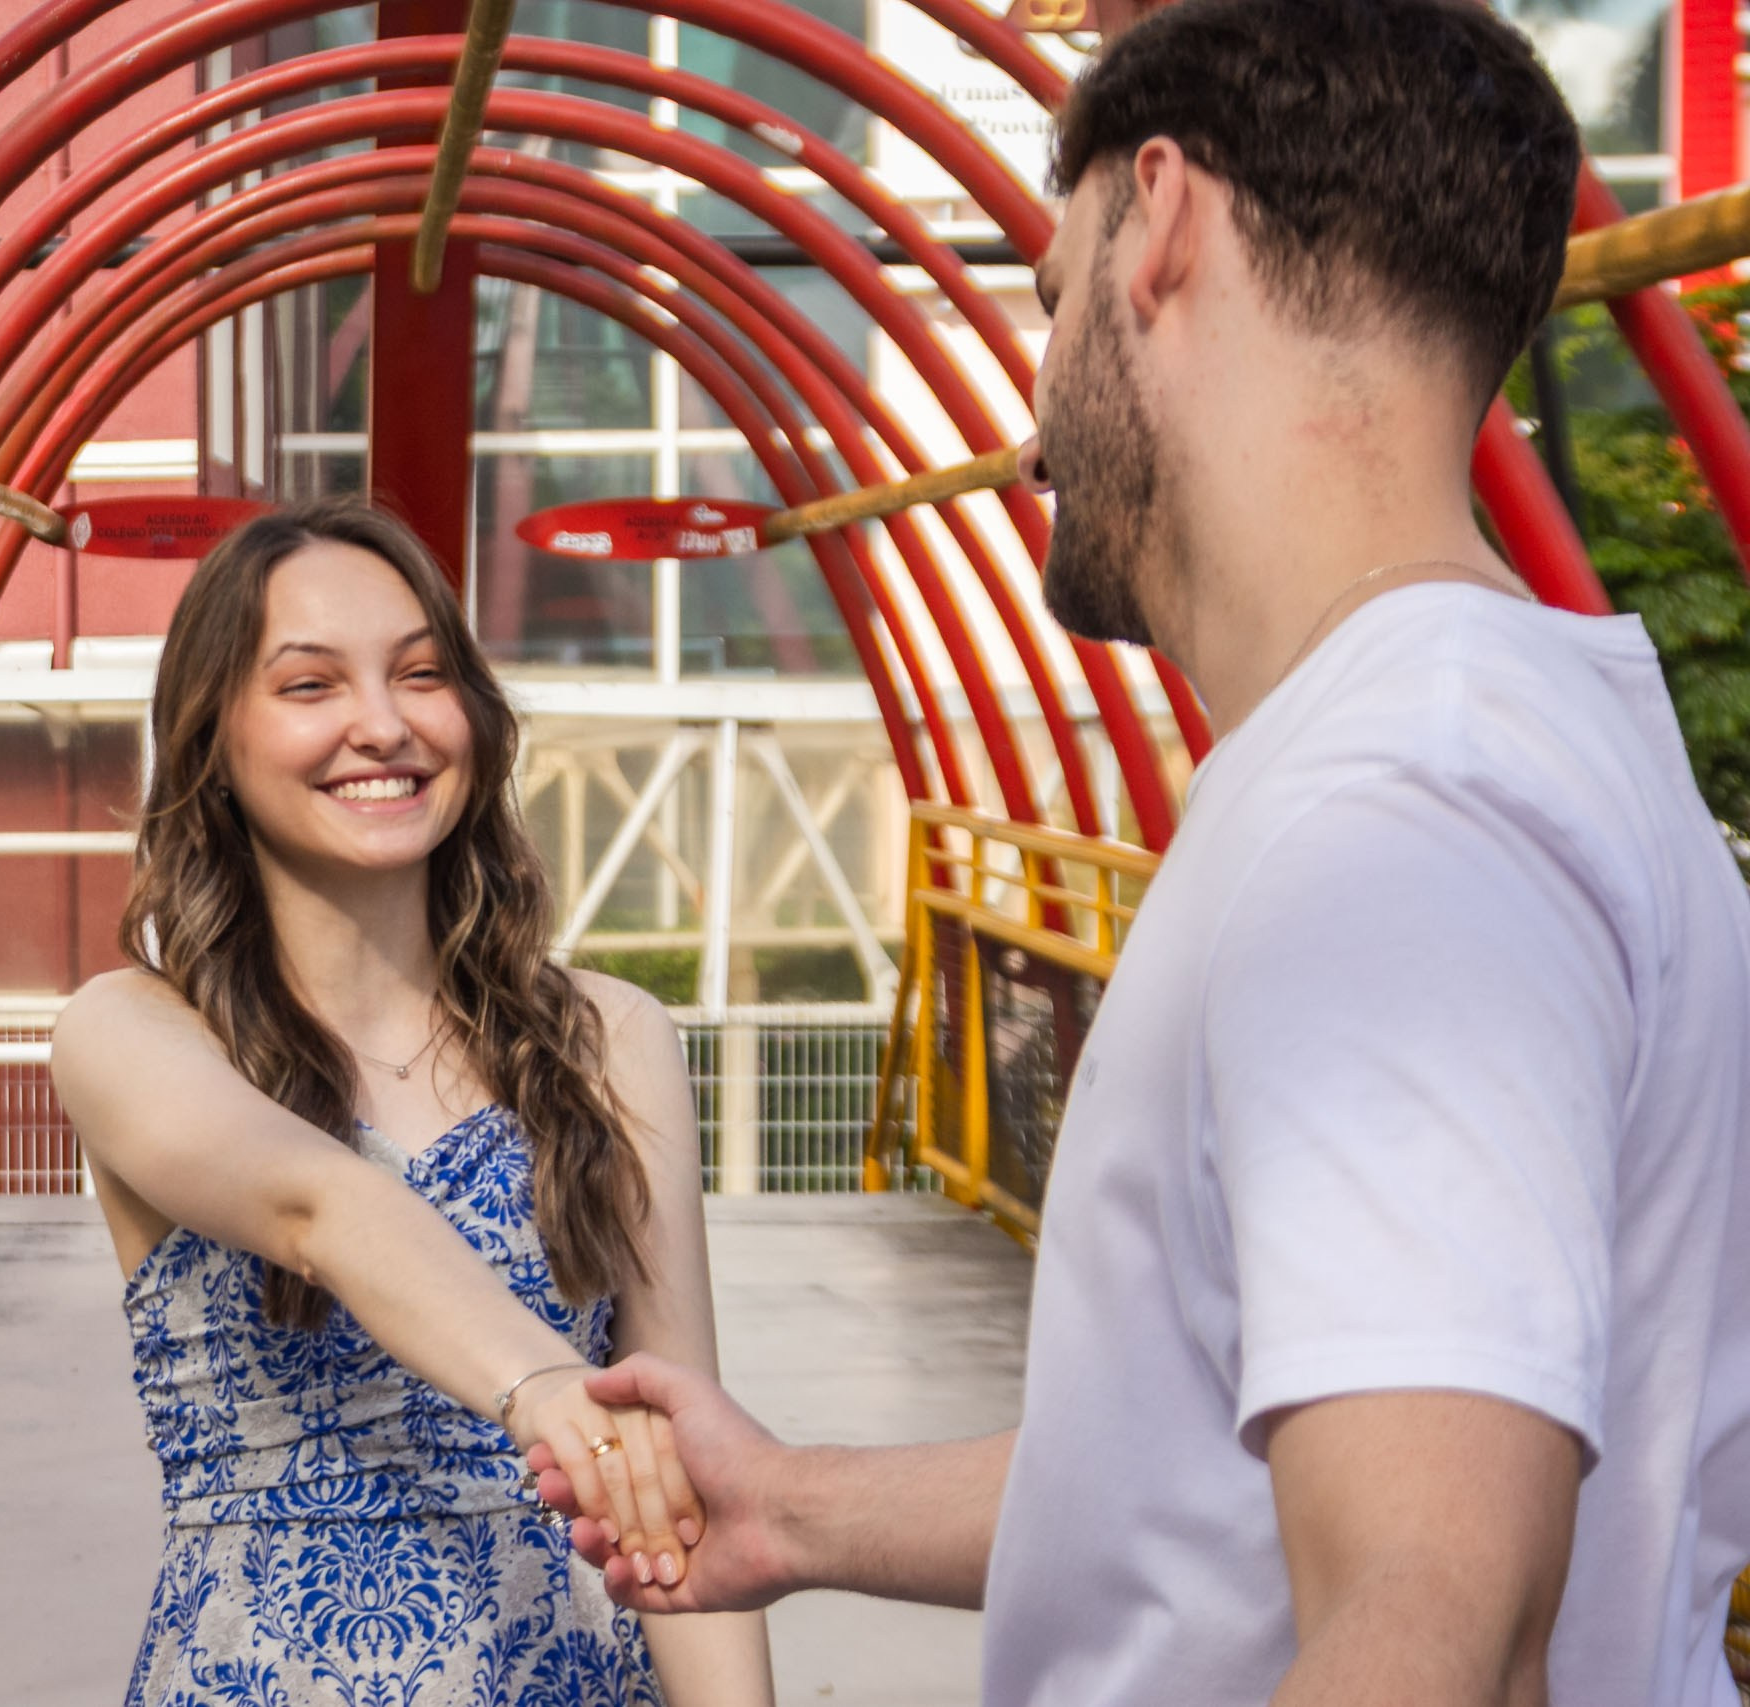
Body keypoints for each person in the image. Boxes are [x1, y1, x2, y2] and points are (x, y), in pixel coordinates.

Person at [533, 0, 1750, 1700]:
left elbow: (1431, 1628)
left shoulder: (1396, 821)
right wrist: (796, 1506)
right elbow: (1238, 1465)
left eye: (1047, 295)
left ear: (1160, 220)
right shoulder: (1489, 739)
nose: (1031, 419)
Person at [51, 497, 774, 1705]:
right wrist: (545, 1389)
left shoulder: (610, 1044)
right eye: (309, 686)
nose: (381, 726)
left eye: (422, 675)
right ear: (211, 738)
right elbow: (318, 1207)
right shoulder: (129, 1033)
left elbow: (673, 1485)